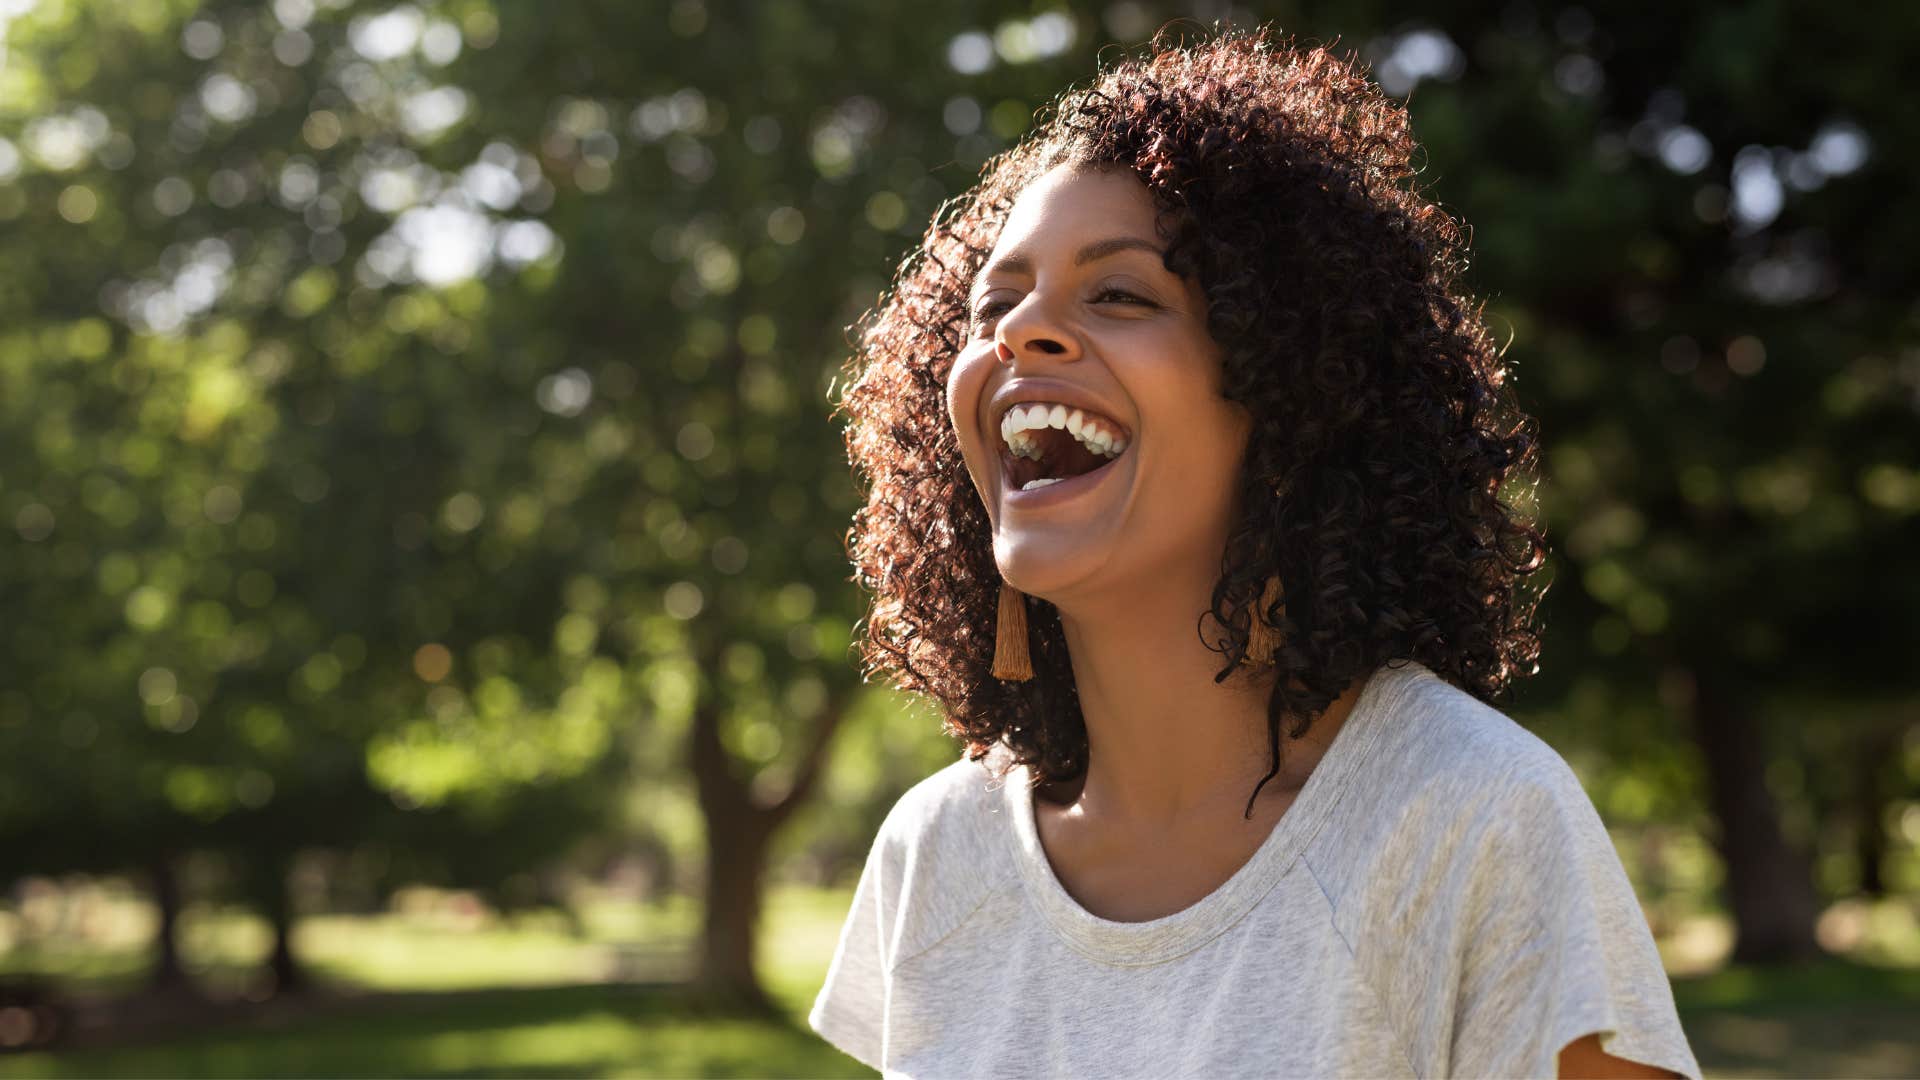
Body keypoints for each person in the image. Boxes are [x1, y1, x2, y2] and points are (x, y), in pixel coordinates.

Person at [810, 25, 1700, 1080]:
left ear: (1289, 396)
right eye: (991, 305)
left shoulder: (1472, 819)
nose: (1020, 333)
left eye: (1122, 294)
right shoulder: (937, 855)